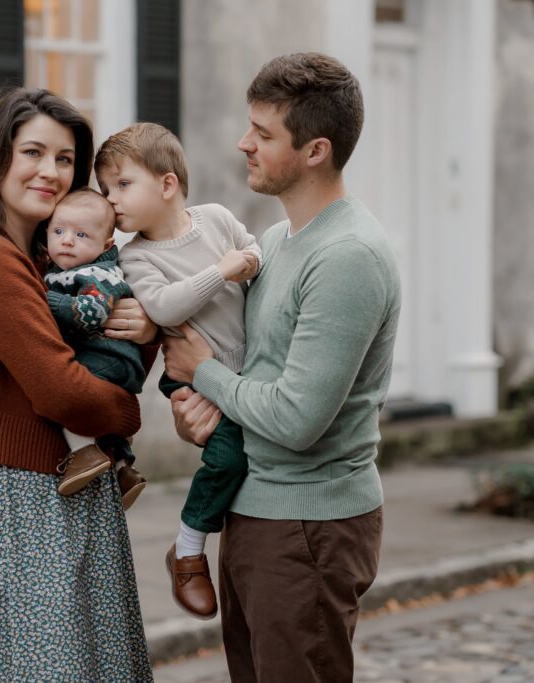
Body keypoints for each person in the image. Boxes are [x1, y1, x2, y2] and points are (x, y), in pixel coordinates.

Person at [163, 53, 402, 682]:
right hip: (258, 511)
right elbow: (256, 373)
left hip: (310, 526)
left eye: (264, 134)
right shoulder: (272, 242)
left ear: (316, 150)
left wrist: (205, 372)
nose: (244, 144)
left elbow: (297, 418)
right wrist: (205, 417)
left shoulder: (347, 257)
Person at [0, 87, 156, 682]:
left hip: (48, 492)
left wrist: (143, 329)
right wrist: (126, 412)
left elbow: (99, 358)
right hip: (7, 501)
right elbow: (65, 395)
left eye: (64, 160)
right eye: (33, 151)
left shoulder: (49, 263)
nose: (50, 172)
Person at [95, 122, 261, 620]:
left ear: (167, 184)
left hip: (248, 368)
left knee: (257, 457)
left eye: (122, 185)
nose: (111, 200)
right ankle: (188, 550)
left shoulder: (215, 218)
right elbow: (165, 308)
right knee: (229, 459)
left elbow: (253, 248)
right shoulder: (136, 257)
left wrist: (249, 257)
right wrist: (226, 270)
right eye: (105, 189)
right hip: (194, 377)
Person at [43, 187, 148, 508]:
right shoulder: (64, 272)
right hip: (107, 356)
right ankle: (122, 469)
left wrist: (46, 300)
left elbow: (91, 314)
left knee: (61, 388)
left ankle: (83, 452)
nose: (67, 240)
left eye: (81, 234)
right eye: (58, 231)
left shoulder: (100, 274)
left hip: (110, 357)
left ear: (106, 245)